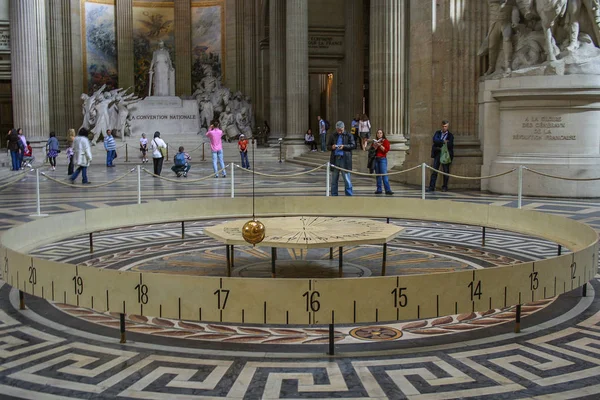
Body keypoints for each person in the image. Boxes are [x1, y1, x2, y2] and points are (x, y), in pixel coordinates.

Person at [327, 121, 356, 196]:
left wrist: (344, 146)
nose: (339, 131)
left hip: (345, 159)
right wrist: (332, 147)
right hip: (335, 158)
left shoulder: (349, 135)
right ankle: (334, 194)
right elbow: (328, 146)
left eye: (340, 130)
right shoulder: (333, 135)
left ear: (343, 128)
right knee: (334, 179)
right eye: (338, 130)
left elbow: (353, 145)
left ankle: (349, 195)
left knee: (347, 179)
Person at [427, 120, 455, 192]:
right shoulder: (437, 133)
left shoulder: (450, 135)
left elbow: (450, 144)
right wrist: (443, 141)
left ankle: (444, 186)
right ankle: (431, 187)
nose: (444, 128)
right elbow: (435, 140)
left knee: (445, 171)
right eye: (443, 126)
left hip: (445, 155)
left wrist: (440, 143)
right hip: (438, 153)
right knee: (435, 170)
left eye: (445, 126)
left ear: (447, 127)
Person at [371, 129, 394, 195]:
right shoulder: (375, 141)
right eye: (378, 133)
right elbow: (372, 151)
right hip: (376, 158)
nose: (379, 134)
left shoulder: (385, 141)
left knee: (384, 174)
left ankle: (387, 189)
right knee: (378, 175)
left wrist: (380, 145)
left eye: (380, 133)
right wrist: (375, 146)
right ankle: (379, 189)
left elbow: (386, 150)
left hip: (382, 159)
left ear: (383, 134)